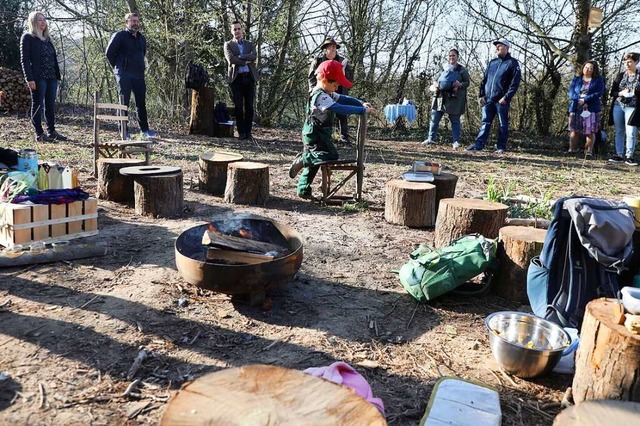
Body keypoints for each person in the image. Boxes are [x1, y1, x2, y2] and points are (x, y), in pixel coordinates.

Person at [289, 60, 375, 200]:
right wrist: (361, 110)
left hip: (320, 133)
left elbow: (343, 98)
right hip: (314, 134)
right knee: (329, 155)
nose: (336, 88)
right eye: (335, 85)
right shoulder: (320, 96)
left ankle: (303, 189)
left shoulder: (328, 92)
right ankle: (303, 159)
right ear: (324, 80)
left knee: (316, 163)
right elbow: (338, 107)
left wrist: (360, 102)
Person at [105, 12, 157, 139]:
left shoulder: (141, 38)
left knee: (141, 103)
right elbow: (109, 53)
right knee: (124, 103)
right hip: (124, 75)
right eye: (132, 20)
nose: (135, 23)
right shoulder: (119, 36)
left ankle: (145, 130)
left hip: (139, 75)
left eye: (137, 21)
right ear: (126, 22)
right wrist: (119, 68)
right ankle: (124, 132)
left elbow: (142, 54)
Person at [467, 38, 521, 153]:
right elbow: (484, 80)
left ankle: (500, 147)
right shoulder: (492, 63)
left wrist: (506, 97)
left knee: (503, 124)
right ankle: (478, 145)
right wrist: (481, 95)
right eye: (496, 46)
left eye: (500, 45)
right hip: (488, 99)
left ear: (507, 48)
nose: (497, 47)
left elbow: (515, 83)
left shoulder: (512, 63)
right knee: (485, 122)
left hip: (501, 100)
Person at [20, 11, 67, 142]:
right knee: (38, 105)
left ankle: (51, 131)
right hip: (37, 77)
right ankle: (39, 134)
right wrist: (29, 78)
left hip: (51, 77)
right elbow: (24, 60)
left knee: (50, 105)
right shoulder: (28, 37)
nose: (43, 22)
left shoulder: (48, 39)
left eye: (44, 19)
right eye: (40, 20)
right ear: (33, 22)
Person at [308, 37, 354, 144]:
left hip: (339, 90)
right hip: (322, 90)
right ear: (325, 49)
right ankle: (323, 136)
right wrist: (313, 90)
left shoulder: (343, 61)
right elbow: (311, 77)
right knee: (323, 114)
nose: (333, 49)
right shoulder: (317, 61)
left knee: (342, 113)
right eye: (331, 47)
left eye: (335, 47)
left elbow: (349, 76)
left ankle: (344, 136)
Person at [422, 49, 470, 149]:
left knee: (455, 121)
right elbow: (435, 80)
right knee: (434, 118)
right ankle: (431, 139)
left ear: (457, 57)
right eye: (450, 56)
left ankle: (456, 142)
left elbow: (467, 83)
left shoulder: (462, 70)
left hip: (454, 99)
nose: (451, 58)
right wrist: (436, 86)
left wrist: (460, 85)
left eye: (453, 56)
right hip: (440, 97)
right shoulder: (443, 68)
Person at [223, 21, 258, 140]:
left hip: (249, 77)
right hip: (236, 78)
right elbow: (231, 59)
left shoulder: (249, 44)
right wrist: (245, 60)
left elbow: (254, 56)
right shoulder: (228, 45)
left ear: (242, 30)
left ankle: (248, 132)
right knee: (238, 106)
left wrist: (240, 57)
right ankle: (241, 132)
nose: (237, 31)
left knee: (249, 106)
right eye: (234, 30)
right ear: (232, 31)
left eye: (238, 29)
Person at [566, 61, 605, 159]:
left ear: (594, 70)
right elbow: (571, 93)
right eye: (586, 67)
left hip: (591, 108)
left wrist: (585, 100)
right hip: (576, 107)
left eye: (590, 68)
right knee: (574, 130)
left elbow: (599, 93)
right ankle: (572, 150)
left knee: (590, 130)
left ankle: (589, 152)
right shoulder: (576, 79)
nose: (587, 69)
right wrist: (579, 100)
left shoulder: (598, 80)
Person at [608, 52, 640, 166]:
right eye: (625, 62)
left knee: (631, 131)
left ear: (636, 62)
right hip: (618, 105)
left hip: (633, 106)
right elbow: (612, 92)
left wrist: (634, 92)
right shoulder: (620, 75)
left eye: (630, 61)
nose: (627, 64)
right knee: (619, 130)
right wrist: (621, 93)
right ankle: (619, 154)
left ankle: (629, 156)